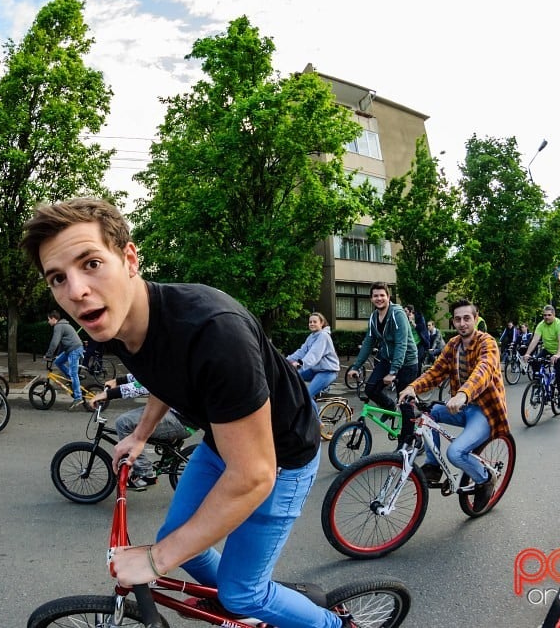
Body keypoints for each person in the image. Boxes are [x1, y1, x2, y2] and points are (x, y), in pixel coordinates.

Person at [21, 198, 351, 627]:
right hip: (222, 441)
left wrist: (156, 562)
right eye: (58, 279)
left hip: (284, 457)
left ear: (129, 259)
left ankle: (327, 623)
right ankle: (238, 609)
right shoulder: (115, 322)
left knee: (241, 589)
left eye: (91, 264)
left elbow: (254, 475)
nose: (76, 290)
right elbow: (164, 374)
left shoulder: (214, 333)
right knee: (178, 543)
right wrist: (141, 434)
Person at [398, 299, 510, 511]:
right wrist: (413, 387)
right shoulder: (453, 345)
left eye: (467, 318)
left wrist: (462, 394)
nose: (462, 323)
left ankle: (485, 479)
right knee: (428, 414)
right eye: (458, 319)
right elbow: (436, 372)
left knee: (456, 453)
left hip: (485, 411)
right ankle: (433, 465)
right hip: (462, 406)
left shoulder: (488, 342)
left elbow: (483, 371)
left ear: (475, 319)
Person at [91, 374, 195, 491]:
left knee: (124, 422)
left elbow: (146, 385)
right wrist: (118, 381)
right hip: (176, 409)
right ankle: (169, 449)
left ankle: (145, 473)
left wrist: (108, 394)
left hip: (182, 419)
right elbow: (146, 373)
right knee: (138, 417)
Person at [345, 282, 418, 412]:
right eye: (375, 296)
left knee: (405, 402)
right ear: (371, 299)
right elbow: (369, 341)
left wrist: (393, 372)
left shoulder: (397, 314)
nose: (379, 298)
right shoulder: (373, 317)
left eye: (382, 295)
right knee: (370, 389)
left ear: (388, 297)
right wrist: (356, 366)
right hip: (387, 359)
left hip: (407, 362)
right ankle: (391, 407)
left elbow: (401, 343)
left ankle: (408, 432)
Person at [286, 312, 339, 412]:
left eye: (315, 322)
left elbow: (314, 354)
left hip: (327, 372)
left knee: (307, 395)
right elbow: (301, 352)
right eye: (310, 322)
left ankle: (317, 422)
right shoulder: (311, 336)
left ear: (322, 323)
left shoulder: (324, 336)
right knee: (291, 375)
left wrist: (301, 364)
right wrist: (286, 360)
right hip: (315, 370)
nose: (312, 324)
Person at [522, 304, 560, 396]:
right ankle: (538, 385)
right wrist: (527, 353)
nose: (546, 317)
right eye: (544, 315)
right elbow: (535, 340)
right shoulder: (541, 325)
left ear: (554, 315)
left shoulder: (559, 324)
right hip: (547, 349)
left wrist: (558, 355)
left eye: (549, 315)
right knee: (534, 361)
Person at [44, 309, 85, 409]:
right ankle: (71, 378)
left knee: (74, 373)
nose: (48, 321)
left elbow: (55, 342)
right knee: (58, 361)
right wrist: (56, 355)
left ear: (54, 319)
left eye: (49, 319)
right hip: (70, 350)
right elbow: (62, 344)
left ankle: (78, 397)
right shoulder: (62, 325)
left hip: (74, 350)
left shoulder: (59, 326)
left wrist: (48, 355)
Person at [404, 304, 430, 371]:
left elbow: (422, 328)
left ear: (411, 311)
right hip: (410, 344)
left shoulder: (419, 317)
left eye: (406, 311)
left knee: (418, 362)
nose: (404, 313)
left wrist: (412, 322)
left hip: (419, 343)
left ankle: (418, 379)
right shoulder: (404, 319)